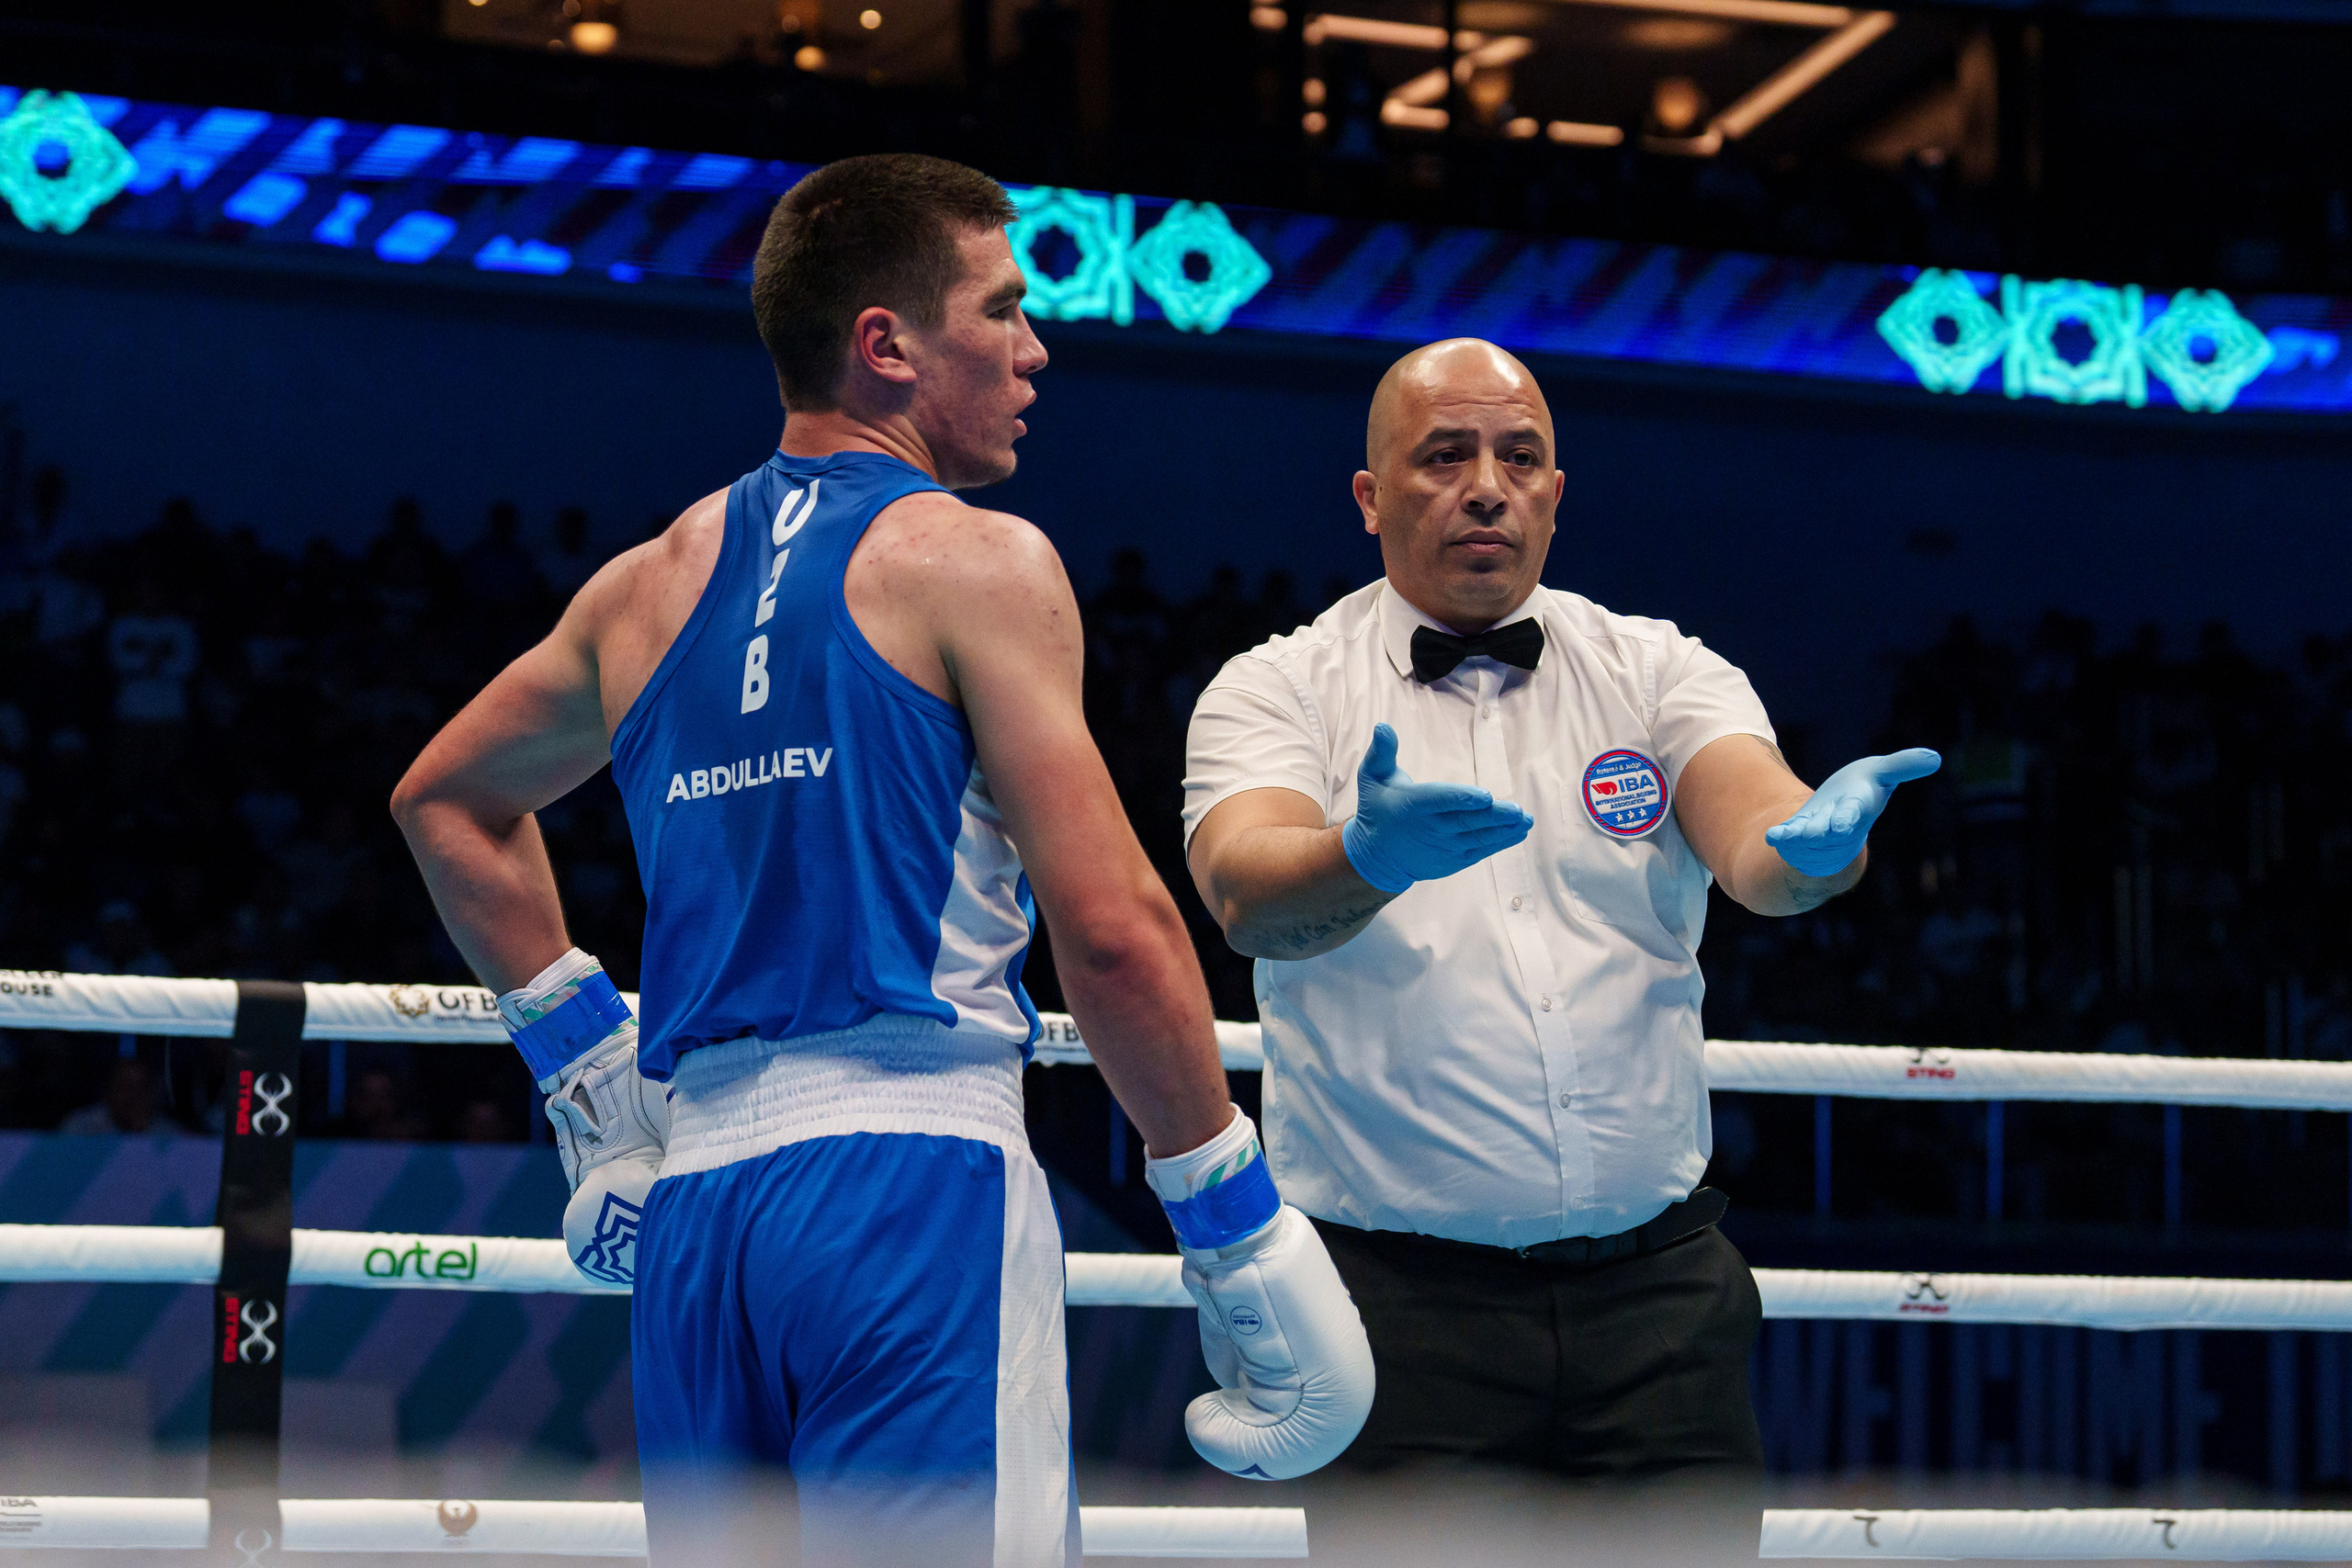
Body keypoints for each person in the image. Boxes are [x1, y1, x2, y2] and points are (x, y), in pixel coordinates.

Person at [392, 154, 1372, 1567]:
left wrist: (595, 1085)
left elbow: (446, 802)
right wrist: (1232, 1225)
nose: (1038, 348)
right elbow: (1113, 934)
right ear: (888, 344)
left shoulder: (642, 586)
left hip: (697, 1217)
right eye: (1003, 309)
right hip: (912, 1195)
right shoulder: (976, 563)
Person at [1182, 338, 1938, 1558]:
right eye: (1445, 455)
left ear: (1555, 491)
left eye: (1519, 456)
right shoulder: (1278, 690)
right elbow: (1246, 894)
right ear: (1371, 496)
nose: (1487, 485)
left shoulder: (1658, 669)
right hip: (1395, 1314)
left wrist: (1818, 850)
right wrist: (1366, 858)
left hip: (1659, 1313)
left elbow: (1759, 837)